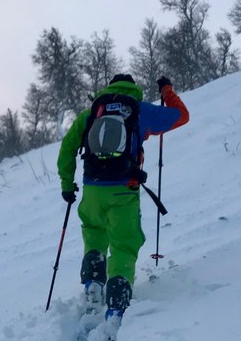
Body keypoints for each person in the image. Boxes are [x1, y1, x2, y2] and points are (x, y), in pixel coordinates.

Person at [57, 73, 189, 319]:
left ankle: (94, 284)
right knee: (123, 244)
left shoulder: (92, 113)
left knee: (95, 233)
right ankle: (117, 303)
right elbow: (182, 115)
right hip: (123, 190)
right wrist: (166, 91)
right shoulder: (139, 110)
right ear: (133, 89)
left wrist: (67, 184)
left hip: (92, 189)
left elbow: (67, 148)